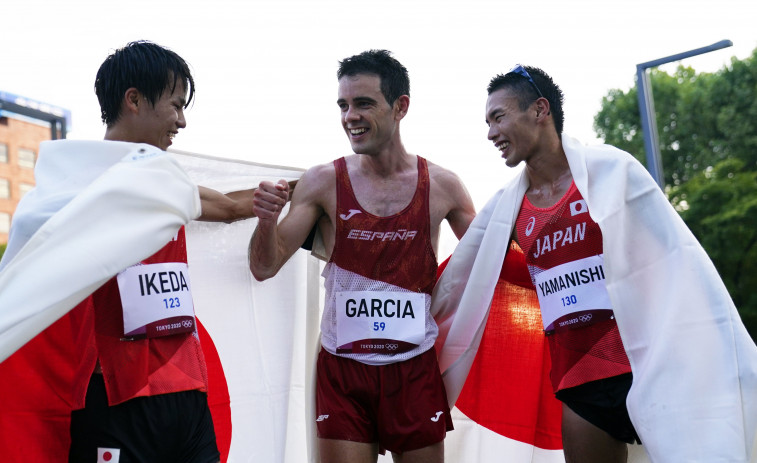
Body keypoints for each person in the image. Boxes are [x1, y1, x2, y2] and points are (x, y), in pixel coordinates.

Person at [432, 65, 757, 462]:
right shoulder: (506, 211)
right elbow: (479, 270)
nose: (490, 133)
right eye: (487, 122)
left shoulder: (612, 172)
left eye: (498, 117)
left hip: (647, 365)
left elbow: (674, 262)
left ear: (539, 110)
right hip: (579, 384)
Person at [248, 49, 475, 463]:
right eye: (343, 105)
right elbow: (264, 266)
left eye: (364, 103)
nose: (350, 116)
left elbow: (492, 262)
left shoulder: (443, 186)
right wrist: (265, 221)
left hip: (413, 368)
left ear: (400, 107)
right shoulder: (323, 181)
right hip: (344, 369)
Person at [62, 41, 258, 463]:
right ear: (134, 100)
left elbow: (231, 207)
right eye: (175, 105)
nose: (182, 121)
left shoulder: (168, 182)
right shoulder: (74, 183)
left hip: (184, 392)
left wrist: (313, 187)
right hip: (112, 393)